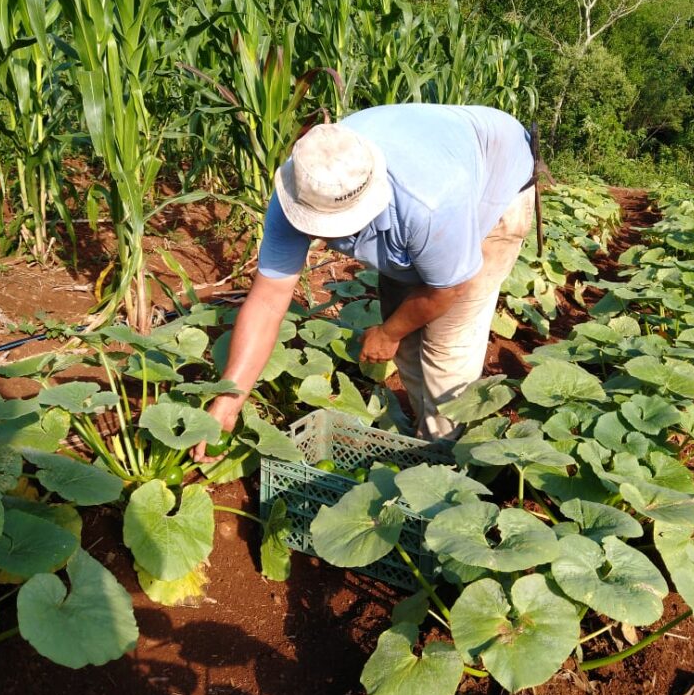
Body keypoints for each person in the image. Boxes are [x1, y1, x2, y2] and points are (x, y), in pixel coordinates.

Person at [192, 103, 534, 460]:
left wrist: (388, 333)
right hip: (426, 197)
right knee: (407, 334)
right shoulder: (305, 184)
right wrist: (229, 401)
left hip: (495, 183)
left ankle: (442, 460)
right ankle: (422, 438)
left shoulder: (429, 205)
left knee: (447, 346)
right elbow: (267, 300)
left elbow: (448, 288)